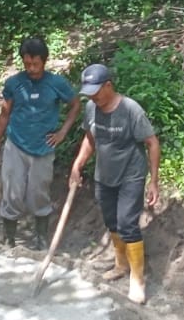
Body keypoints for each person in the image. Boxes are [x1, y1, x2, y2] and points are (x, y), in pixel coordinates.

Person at [68, 64, 160, 304]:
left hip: (131, 175)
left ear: (108, 85)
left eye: (96, 92)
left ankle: (138, 280)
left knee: (128, 224)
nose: (93, 97)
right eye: (88, 93)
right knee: (111, 221)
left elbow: (152, 143)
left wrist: (154, 182)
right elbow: (90, 139)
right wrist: (77, 164)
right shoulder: (91, 108)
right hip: (104, 175)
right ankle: (121, 265)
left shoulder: (131, 110)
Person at [0, 37, 81, 249]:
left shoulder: (57, 84)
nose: (31, 68)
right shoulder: (14, 83)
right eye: (27, 64)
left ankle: (41, 238)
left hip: (44, 147)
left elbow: (75, 105)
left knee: (39, 193)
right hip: (16, 145)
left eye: (35, 64)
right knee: (13, 192)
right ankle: (8, 238)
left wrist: (63, 132)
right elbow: (4, 115)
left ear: (44, 61)